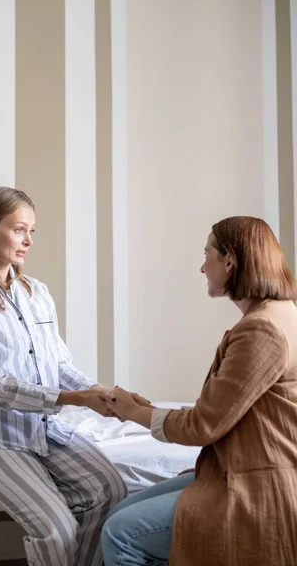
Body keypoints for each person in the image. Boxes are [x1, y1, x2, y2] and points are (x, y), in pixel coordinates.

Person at [0, 187, 128, 566]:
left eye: (32, 232)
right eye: (20, 229)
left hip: (42, 429)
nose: (28, 241)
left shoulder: (36, 292)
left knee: (111, 490)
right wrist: (74, 400)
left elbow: (58, 365)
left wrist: (97, 392)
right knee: (57, 529)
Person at [102, 216, 297, 566]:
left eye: (206, 253)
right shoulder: (278, 315)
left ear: (229, 261)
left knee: (120, 533)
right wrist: (146, 410)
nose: (201, 266)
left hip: (261, 485)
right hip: (240, 467)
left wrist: (132, 412)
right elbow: (227, 408)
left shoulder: (262, 331)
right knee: (122, 511)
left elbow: (204, 425)